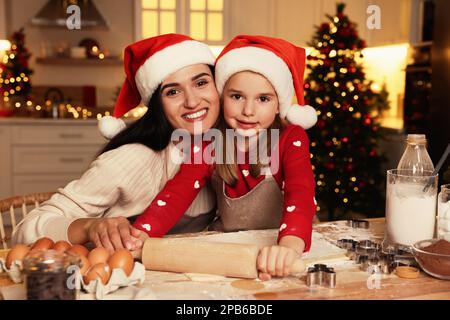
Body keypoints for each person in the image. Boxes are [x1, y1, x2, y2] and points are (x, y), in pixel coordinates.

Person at [12, 34, 220, 253]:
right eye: (173, 92)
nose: (192, 101)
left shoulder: (226, 149)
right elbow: (23, 231)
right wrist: (90, 227)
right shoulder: (135, 159)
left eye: (201, 82)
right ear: (159, 105)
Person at [133, 35, 318, 280]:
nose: (248, 111)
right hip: (234, 248)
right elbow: (178, 191)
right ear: (222, 96)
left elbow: (301, 191)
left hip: (283, 243)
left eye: (263, 99)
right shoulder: (210, 140)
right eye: (236, 96)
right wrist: (141, 234)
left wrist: (288, 248)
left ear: (278, 105)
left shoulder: (290, 138)